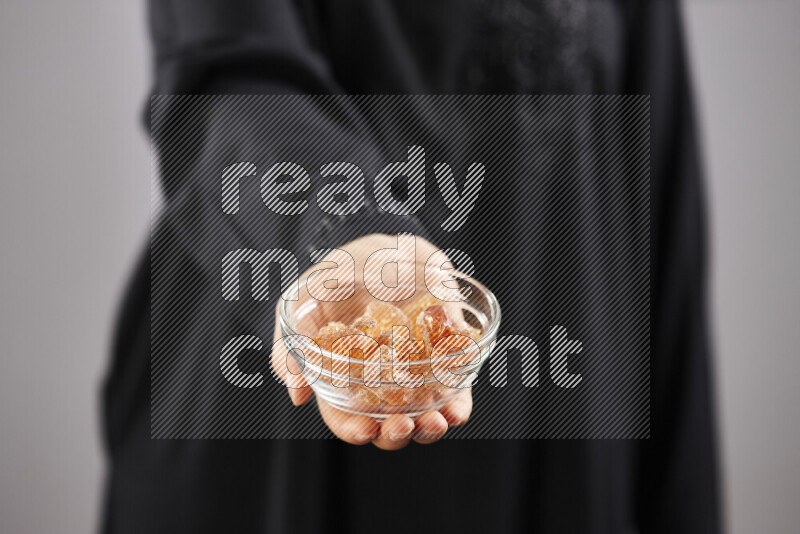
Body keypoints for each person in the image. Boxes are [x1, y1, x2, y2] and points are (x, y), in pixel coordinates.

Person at [101, 0, 721, 532]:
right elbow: (225, 72)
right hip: (271, 438)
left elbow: (657, 203)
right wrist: (348, 232)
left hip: (559, 440)